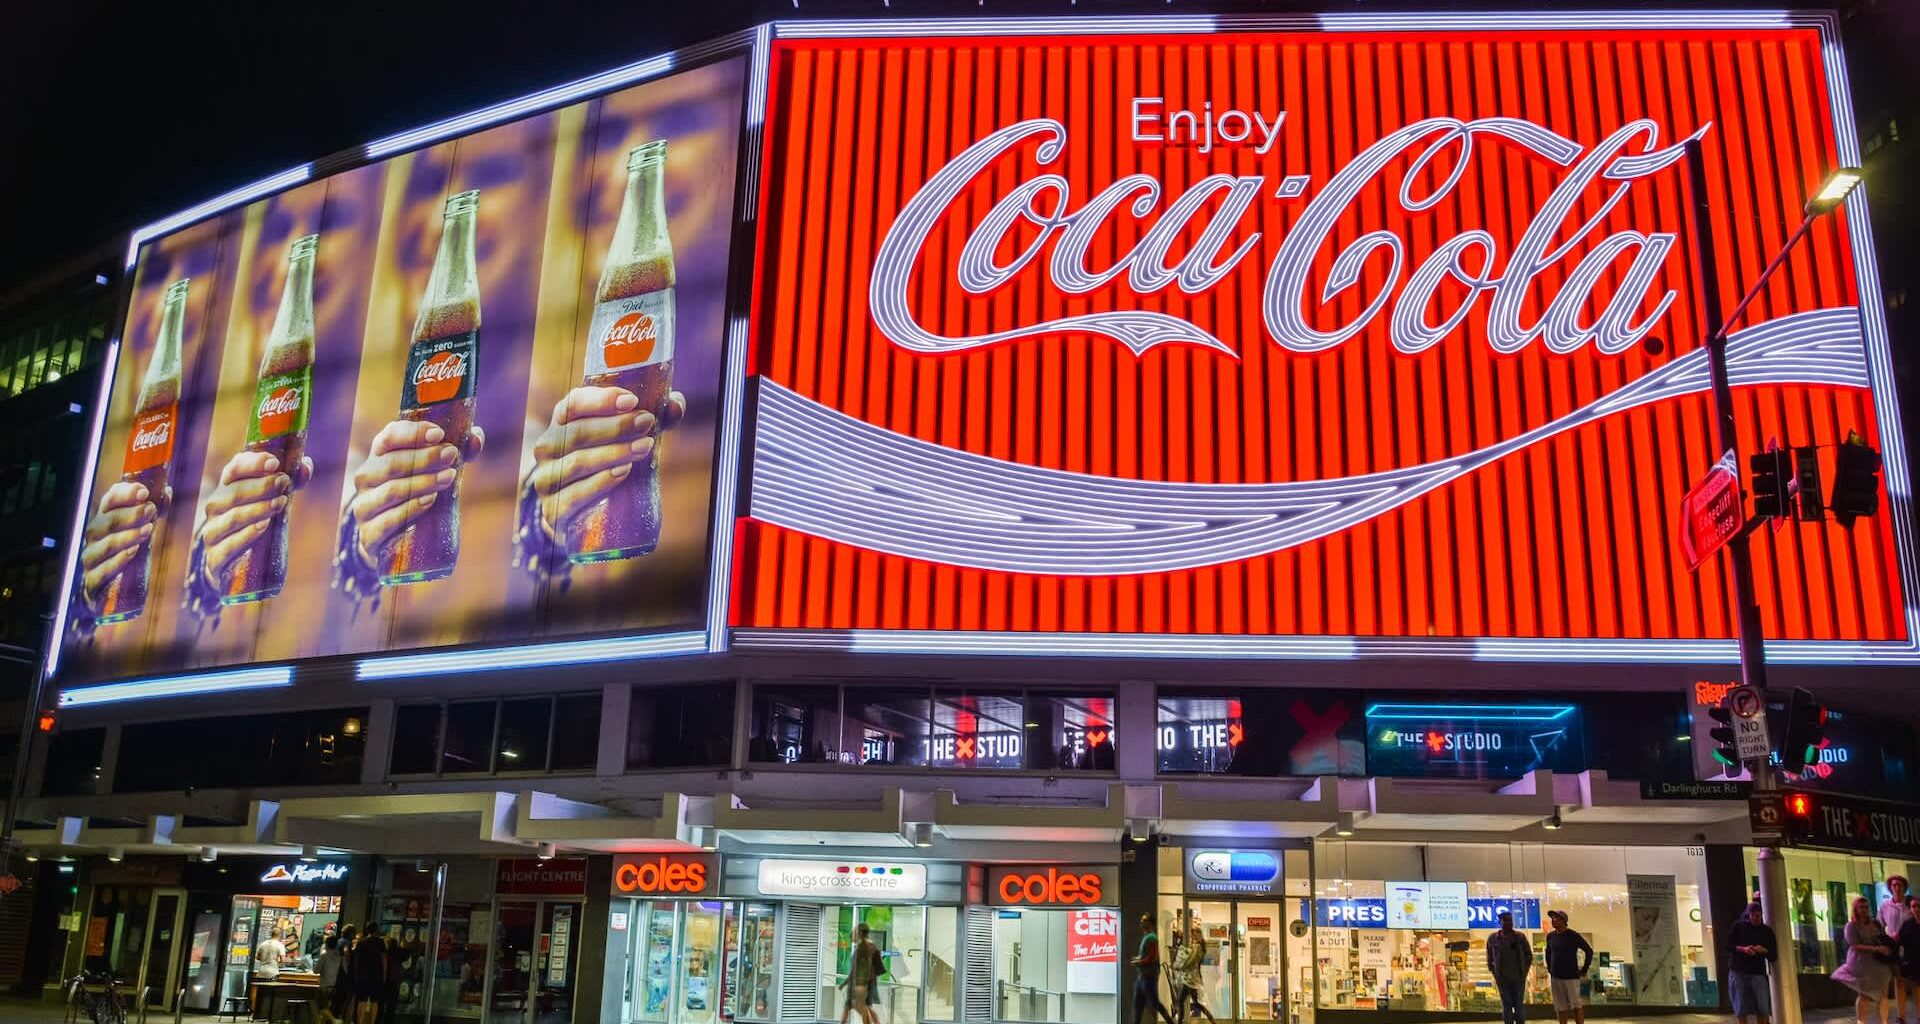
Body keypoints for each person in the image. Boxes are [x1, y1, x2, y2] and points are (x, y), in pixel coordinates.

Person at [1834, 896, 1895, 1024]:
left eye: (1866, 907)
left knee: (1883, 993)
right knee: (1865, 993)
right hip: (1861, 961)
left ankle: (1884, 1021)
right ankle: (1861, 1021)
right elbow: (1854, 945)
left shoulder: (1875, 923)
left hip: (1879, 960)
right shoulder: (1851, 926)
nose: (1864, 910)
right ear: (1855, 909)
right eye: (1861, 907)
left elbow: (1882, 937)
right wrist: (1876, 949)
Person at [1727, 901, 1779, 1024]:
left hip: (1757, 972)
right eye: (1752, 915)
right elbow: (1728, 946)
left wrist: (1763, 950)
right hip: (1739, 970)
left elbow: (1773, 955)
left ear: (1762, 915)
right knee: (1740, 1005)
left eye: (1758, 915)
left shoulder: (1766, 931)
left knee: (1762, 1006)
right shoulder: (1739, 927)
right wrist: (1744, 949)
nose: (1755, 918)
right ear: (1748, 915)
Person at [1543, 910, 1593, 1024]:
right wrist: (1550, 968)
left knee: (1576, 1005)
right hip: (1556, 976)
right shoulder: (1551, 936)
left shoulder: (1573, 936)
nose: (1553, 920)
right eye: (1552, 918)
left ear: (1563, 921)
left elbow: (1588, 951)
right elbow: (1548, 952)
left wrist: (1584, 969)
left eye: (1556, 918)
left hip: (1571, 976)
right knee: (1560, 1006)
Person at [1486, 911, 1534, 1024]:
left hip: (1518, 978)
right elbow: (1490, 957)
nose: (1509, 923)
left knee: (1518, 1005)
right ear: (1500, 922)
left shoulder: (1520, 937)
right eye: (1506, 920)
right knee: (1506, 1004)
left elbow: (1528, 955)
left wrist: (1524, 972)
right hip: (1502, 979)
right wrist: (1495, 973)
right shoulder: (1493, 939)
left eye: (1510, 920)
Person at [1131, 913, 1176, 1024]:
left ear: (1150, 923)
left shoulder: (1151, 938)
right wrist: (1139, 959)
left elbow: (1152, 957)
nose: (1141, 922)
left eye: (1144, 920)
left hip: (1149, 976)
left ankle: (1170, 1022)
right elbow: (1146, 955)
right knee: (1139, 1004)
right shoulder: (1147, 937)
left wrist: (1139, 962)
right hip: (1143, 976)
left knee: (1153, 1003)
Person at [1170, 926, 1216, 1024]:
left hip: (1190, 979)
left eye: (1194, 934)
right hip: (1193, 979)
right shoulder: (1201, 946)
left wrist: (1181, 967)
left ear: (1199, 934)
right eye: (1192, 935)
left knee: (1181, 1001)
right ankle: (1211, 1018)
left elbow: (1191, 960)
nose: (1193, 936)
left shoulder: (1198, 947)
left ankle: (1180, 1022)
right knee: (1194, 1002)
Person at [837, 923, 882, 1024]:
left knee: (863, 1008)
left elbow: (864, 968)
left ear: (859, 933)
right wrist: (845, 983)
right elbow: (855, 969)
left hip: (861, 984)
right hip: (859, 984)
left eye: (855, 931)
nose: (852, 933)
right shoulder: (863, 946)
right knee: (861, 1008)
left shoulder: (865, 947)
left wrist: (861, 986)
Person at [1884, 878, 1914, 1024]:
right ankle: (1901, 1016)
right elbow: (1879, 924)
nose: (1897, 887)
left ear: (1904, 887)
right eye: (1894, 885)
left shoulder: (1911, 904)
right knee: (1899, 981)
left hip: (1912, 946)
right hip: (1895, 948)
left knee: (1916, 982)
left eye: (1900, 885)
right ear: (1890, 887)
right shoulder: (1885, 906)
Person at [352, 926, 388, 1024]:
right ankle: (372, 1022)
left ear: (367, 931)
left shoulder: (361, 942)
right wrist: (384, 974)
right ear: (376, 930)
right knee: (374, 1001)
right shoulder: (380, 942)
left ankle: (360, 1022)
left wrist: (356, 973)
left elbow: (356, 959)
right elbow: (384, 958)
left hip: (362, 975)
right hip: (376, 975)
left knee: (361, 1001)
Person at [332, 925, 357, 1022]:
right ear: (351, 933)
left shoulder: (338, 941)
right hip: (344, 974)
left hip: (337, 972)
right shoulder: (346, 942)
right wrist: (349, 963)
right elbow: (346, 952)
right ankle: (338, 1018)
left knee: (337, 997)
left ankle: (333, 1017)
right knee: (342, 997)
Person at [317, 935, 344, 1024]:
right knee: (327, 1006)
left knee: (322, 1007)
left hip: (324, 985)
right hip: (335, 985)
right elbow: (345, 970)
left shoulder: (324, 956)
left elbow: (316, 970)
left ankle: (334, 1020)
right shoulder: (340, 956)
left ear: (327, 944)